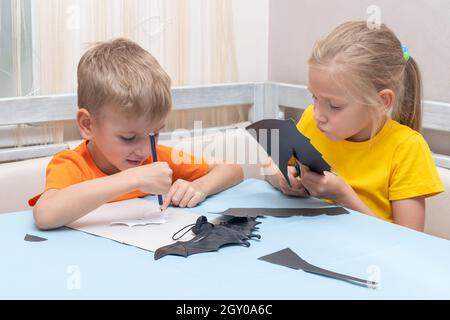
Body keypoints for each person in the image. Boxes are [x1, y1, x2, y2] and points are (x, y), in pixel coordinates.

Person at [30, 38, 243, 230]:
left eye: (155, 134)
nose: (143, 149)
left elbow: (232, 170)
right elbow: (45, 215)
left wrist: (200, 186)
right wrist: (132, 179)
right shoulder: (72, 165)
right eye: (128, 138)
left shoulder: (156, 156)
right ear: (88, 125)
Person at [265, 21, 444, 231]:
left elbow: (409, 241)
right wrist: (281, 178)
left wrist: (343, 195)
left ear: (382, 101)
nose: (318, 115)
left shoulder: (407, 148)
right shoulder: (311, 121)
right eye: (314, 97)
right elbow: (269, 168)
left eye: (335, 106)